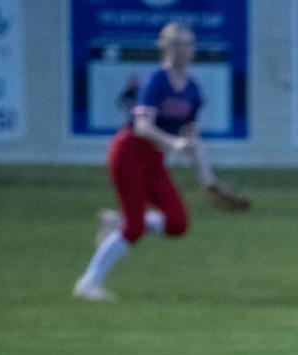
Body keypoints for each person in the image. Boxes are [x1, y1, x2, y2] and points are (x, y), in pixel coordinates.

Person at [73, 22, 220, 302]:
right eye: (176, 43)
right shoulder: (156, 81)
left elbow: (192, 137)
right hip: (128, 153)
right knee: (135, 229)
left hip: (154, 160)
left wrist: (208, 179)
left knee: (177, 223)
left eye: (188, 44)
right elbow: (142, 126)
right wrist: (173, 143)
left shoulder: (192, 90)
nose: (183, 50)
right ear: (163, 47)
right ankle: (89, 283)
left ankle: (118, 222)